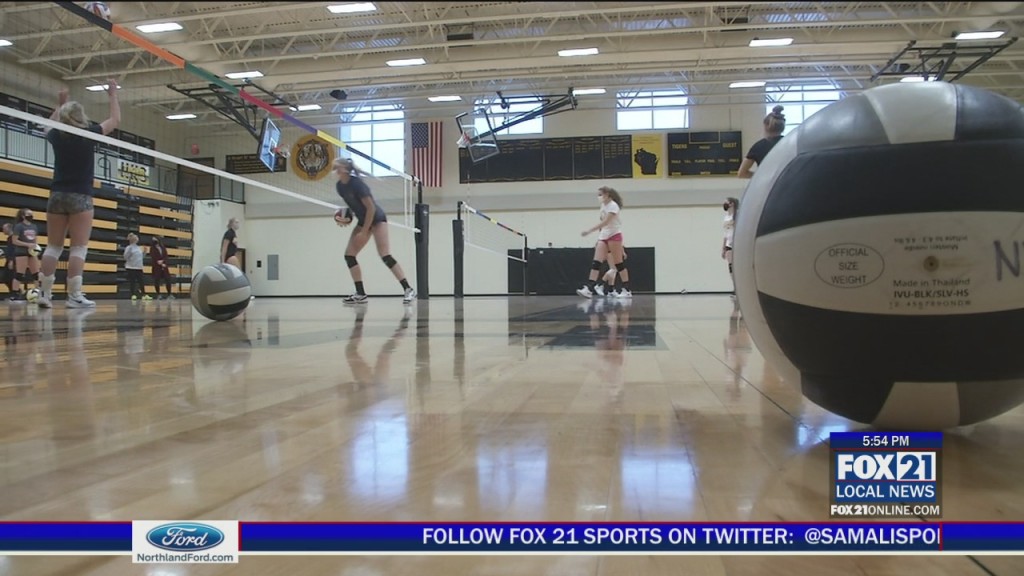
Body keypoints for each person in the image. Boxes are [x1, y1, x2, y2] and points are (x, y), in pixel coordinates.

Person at [37, 80, 120, 309]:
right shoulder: (88, 134)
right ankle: (74, 297)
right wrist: (112, 95)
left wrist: (59, 104)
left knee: (53, 246)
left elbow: (46, 125)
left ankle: (44, 294)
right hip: (80, 196)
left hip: (57, 194)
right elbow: (114, 121)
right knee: (78, 247)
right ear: (81, 116)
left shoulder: (56, 135)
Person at [331, 157, 416, 304]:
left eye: (336, 167)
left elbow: (371, 208)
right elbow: (354, 206)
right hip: (363, 219)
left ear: (344, 169)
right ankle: (360, 293)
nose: (334, 170)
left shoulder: (357, 184)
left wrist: (364, 231)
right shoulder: (340, 187)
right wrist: (346, 217)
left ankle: (408, 289)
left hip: (376, 218)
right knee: (349, 255)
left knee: (385, 255)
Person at [577, 186, 631, 299]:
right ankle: (589, 288)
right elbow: (602, 224)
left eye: (600, 194)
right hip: (604, 236)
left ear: (607, 195)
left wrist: (589, 231)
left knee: (618, 264)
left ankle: (626, 290)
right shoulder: (603, 206)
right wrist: (599, 238)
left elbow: (606, 222)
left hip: (614, 235)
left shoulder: (613, 206)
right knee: (596, 262)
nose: (599, 197)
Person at [738, 105, 786, 179]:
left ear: (765, 126)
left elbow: (742, 173)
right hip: (789, 185)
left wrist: (762, 176)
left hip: (768, 187)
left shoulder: (758, 147)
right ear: (782, 128)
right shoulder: (790, 143)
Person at [11, 208, 40, 302]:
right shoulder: (19, 226)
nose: (31, 216)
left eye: (32, 214)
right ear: (23, 216)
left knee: (36, 274)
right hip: (21, 252)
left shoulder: (34, 226)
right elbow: (14, 241)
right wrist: (27, 245)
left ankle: (40, 293)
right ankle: (14, 294)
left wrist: (35, 247)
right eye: (28, 214)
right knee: (20, 274)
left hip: (32, 252)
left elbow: (35, 239)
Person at [123, 233, 150, 301]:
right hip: (131, 267)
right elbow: (125, 257)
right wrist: (129, 252)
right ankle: (133, 294)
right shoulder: (128, 247)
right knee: (133, 281)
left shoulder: (139, 248)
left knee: (141, 281)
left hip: (139, 267)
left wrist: (145, 252)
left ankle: (144, 294)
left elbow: (141, 257)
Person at [722, 197, 738, 287]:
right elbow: (725, 233)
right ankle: (735, 286)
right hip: (729, 243)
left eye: (726, 202)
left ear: (731, 204)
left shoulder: (736, 216)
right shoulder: (726, 218)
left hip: (736, 243)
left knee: (736, 266)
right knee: (731, 266)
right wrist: (723, 247)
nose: (725, 203)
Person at [3, 222, 16, 299]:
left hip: (12, 261)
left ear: (8, 228)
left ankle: (15, 293)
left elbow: (14, 250)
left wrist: (11, 260)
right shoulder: (9, 238)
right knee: (6, 278)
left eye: (4, 229)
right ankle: (13, 293)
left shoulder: (13, 238)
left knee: (10, 277)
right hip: (9, 260)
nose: (3, 230)